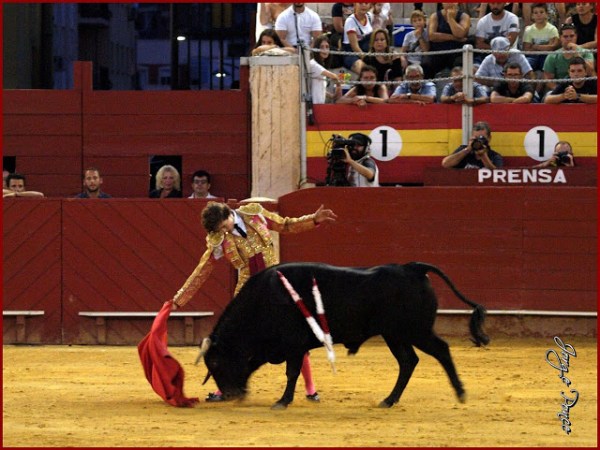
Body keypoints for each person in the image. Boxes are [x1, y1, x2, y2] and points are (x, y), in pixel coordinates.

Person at [172, 201, 338, 402]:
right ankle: (224, 388)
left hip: (276, 286)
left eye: (225, 226)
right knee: (234, 341)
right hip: (248, 294)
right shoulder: (219, 240)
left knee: (294, 335)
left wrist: (313, 219)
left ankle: (310, 388)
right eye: (221, 230)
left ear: (228, 214)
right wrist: (178, 300)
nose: (225, 231)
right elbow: (203, 270)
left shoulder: (255, 214)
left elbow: (286, 225)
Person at [542, 24, 596, 94]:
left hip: (584, 89)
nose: (569, 39)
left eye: (572, 36)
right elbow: (548, 78)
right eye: (565, 36)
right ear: (560, 38)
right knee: (548, 95)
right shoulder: (553, 56)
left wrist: (577, 53)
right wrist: (560, 90)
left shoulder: (586, 52)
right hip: (560, 90)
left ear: (576, 36)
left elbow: (590, 72)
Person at [424, 3, 471, 77]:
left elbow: (460, 34)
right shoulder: (435, 16)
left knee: (461, 63)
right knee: (426, 64)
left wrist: (451, 19)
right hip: (437, 52)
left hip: (457, 52)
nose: (450, 3)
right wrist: (454, 38)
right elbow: (432, 36)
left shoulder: (464, 16)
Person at [522, 3, 560, 73]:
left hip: (546, 56)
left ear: (547, 14)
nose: (538, 15)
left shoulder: (552, 29)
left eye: (541, 12)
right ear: (532, 16)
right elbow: (526, 49)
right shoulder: (528, 30)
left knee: (548, 64)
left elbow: (552, 47)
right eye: (535, 13)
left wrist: (535, 46)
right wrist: (544, 47)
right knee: (526, 64)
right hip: (533, 56)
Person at [309, 35, 343, 104]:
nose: (325, 50)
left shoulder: (321, 65)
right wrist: (338, 86)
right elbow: (334, 76)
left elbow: (320, 87)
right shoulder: (313, 64)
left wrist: (332, 96)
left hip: (320, 104)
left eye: (327, 47)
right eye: (321, 47)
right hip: (314, 105)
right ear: (316, 49)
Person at [341, 2, 373, 74]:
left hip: (368, 51)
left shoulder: (370, 16)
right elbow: (355, 47)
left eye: (366, 3)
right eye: (360, 3)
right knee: (365, 71)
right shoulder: (350, 21)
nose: (364, 5)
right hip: (352, 54)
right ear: (355, 5)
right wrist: (367, 59)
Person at [399, 9, 430, 77]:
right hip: (410, 61)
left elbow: (426, 51)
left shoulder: (427, 34)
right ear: (412, 24)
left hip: (422, 62)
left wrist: (419, 37)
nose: (418, 22)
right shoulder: (408, 35)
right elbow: (403, 52)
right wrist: (403, 59)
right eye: (415, 21)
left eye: (419, 20)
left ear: (424, 21)